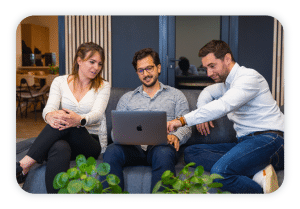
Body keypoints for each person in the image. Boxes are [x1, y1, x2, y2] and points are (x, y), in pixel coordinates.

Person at [167, 40, 284, 194]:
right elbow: (207, 92)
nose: (208, 73)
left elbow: (223, 105)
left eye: (212, 66)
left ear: (227, 59)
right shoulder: (227, 84)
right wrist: (203, 113)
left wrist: (181, 120)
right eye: (206, 68)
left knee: (220, 172)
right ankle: (256, 172)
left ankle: (265, 194)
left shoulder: (248, 77)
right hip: (246, 142)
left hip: (271, 140)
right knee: (190, 153)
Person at [16, 42, 111, 193]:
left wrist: (79, 120)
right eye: (92, 62)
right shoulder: (59, 82)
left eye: (99, 64)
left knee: (71, 123)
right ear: (79, 60)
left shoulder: (103, 86)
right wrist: (50, 115)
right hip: (64, 139)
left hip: (90, 142)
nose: (96, 67)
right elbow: (49, 108)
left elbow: (97, 114)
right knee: (59, 147)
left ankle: (24, 164)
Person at [101, 48, 192, 192]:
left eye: (149, 68)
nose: (146, 74)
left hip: (160, 148)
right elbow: (115, 132)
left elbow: (187, 125)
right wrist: (122, 136)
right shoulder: (127, 98)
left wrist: (175, 136)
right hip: (132, 149)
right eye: (141, 70)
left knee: (164, 153)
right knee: (111, 151)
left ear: (158, 68)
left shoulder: (176, 95)